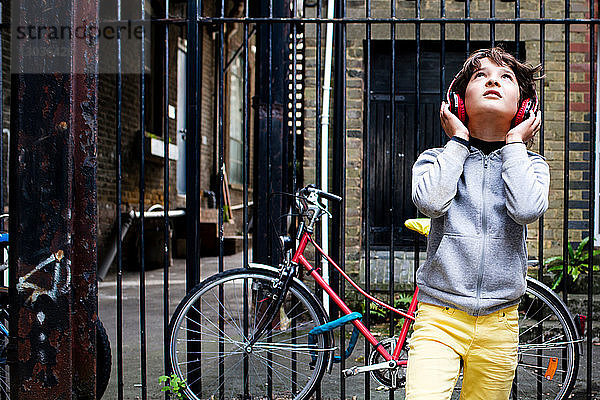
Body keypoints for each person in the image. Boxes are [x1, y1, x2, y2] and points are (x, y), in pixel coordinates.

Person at [406, 47, 550, 400]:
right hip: (439, 316)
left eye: (505, 78)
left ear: (524, 107)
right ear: (458, 101)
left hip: (499, 323)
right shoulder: (435, 159)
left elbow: (527, 209)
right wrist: (457, 141)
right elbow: (431, 200)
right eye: (480, 76)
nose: (492, 82)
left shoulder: (532, 166)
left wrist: (515, 143)